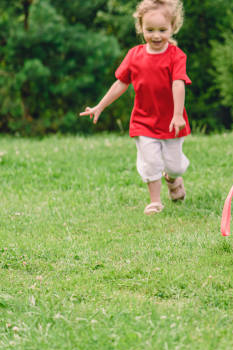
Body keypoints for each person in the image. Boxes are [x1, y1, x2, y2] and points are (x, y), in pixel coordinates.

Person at [80, 0, 191, 215]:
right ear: (141, 28)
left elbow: (178, 83)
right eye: (150, 30)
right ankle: (155, 202)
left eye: (162, 30)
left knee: (175, 165)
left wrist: (178, 115)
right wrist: (100, 106)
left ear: (173, 27)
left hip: (171, 121)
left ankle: (173, 178)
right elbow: (121, 82)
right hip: (144, 121)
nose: (156, 35)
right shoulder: (134, 55)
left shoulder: (177, 56)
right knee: (150, 162)